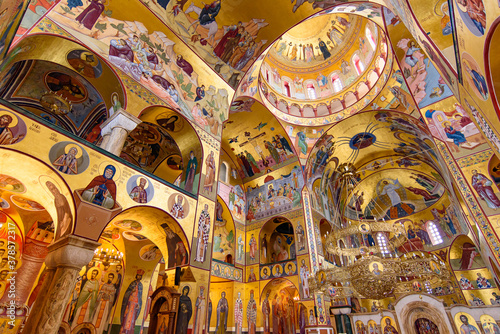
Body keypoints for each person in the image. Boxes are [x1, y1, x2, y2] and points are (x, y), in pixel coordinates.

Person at [120, 269, 144, 334]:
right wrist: (131, 291)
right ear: (136, 276)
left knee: (132, 317)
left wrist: (139, 303)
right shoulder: (132, 283)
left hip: (135, 303)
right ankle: (124, 330)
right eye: (138, 276)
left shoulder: (141, 285)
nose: (139, 277)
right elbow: (127, 292)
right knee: (127, 315)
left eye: (140, 276)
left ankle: (130, 331)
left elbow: (140, 295)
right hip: (130, 302)